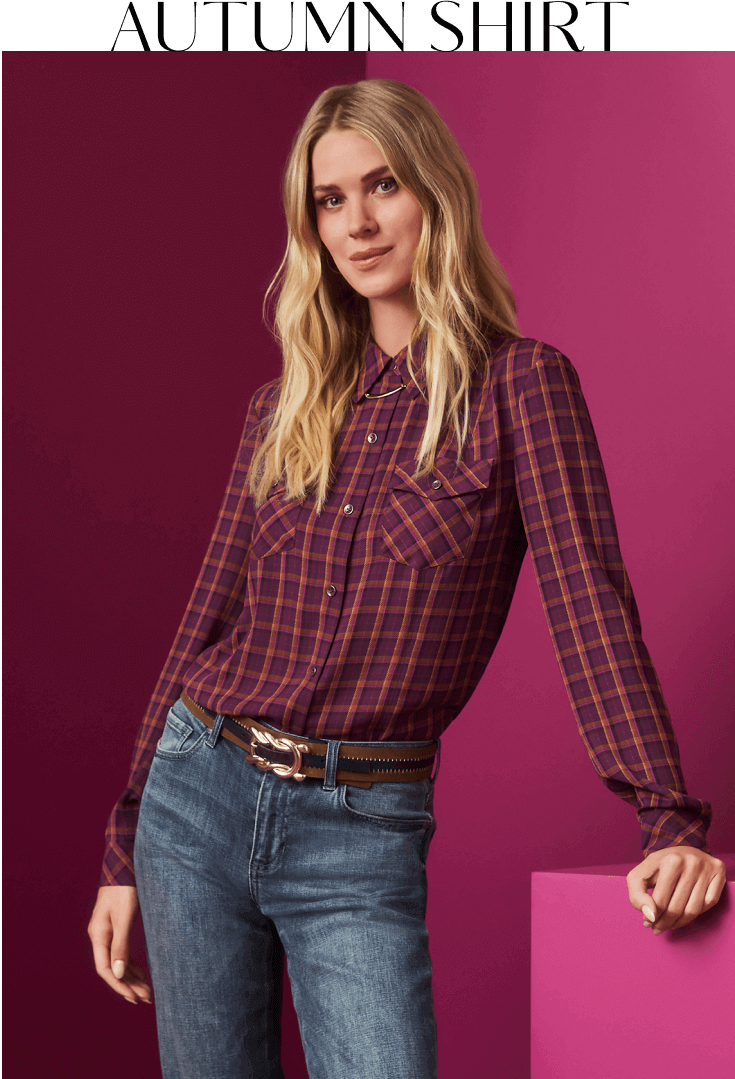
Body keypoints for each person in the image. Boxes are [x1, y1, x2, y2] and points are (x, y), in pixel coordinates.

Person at [88, 78, 726, 1079]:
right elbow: (203, 620)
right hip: (196, 798)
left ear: (435, 192)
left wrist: (668, 817)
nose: (357, 222)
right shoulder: (281, 407)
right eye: (329, 200)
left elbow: (591, 606)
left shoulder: (524, 388)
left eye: (381, 185)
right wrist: (126, 840)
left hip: (359, 829)